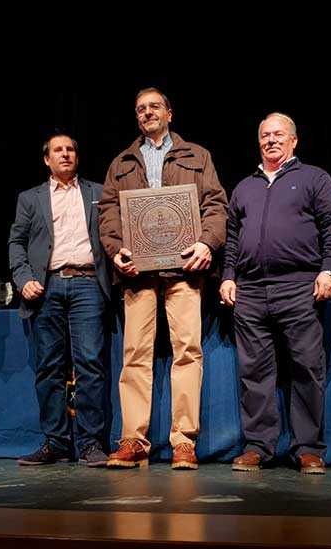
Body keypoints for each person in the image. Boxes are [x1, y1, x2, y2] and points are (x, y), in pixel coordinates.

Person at [99, 88, 227, 469]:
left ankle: (183, 440)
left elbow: (215, 205)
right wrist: (117, 249)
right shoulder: (122, 161)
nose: (147, 113)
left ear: (170, 113)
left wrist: (207, 243)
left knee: (188, 351)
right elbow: (108, 212)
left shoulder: (197, 155)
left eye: (154, 107)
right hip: (137, 274)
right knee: (134, 354)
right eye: (141, 109)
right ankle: (134, 440)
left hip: (184, 269)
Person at [219, 113, 331, 474]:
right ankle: (258, 446)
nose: (271, 140)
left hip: (299, 286)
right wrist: (228, 276)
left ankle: (307, 447)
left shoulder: (314, 178)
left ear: (294, 140)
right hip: (250, 290)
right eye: (264, 135)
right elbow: (231, 238)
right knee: (254, 371)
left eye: (278, 134)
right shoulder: (244, 186)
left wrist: (330, 269)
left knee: (307, 367)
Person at [8, 132, 111, 467]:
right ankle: (56, 443)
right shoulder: (30, 198)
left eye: (70, 150)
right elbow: (17, 244)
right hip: (47, 286)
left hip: (88, 284)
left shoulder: (99, 193)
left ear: (76, 157)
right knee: (49, 367)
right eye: (58, 150)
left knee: (90, 365)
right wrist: (24, 279)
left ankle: (91, 443)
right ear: (46, 159)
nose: (65, 154)